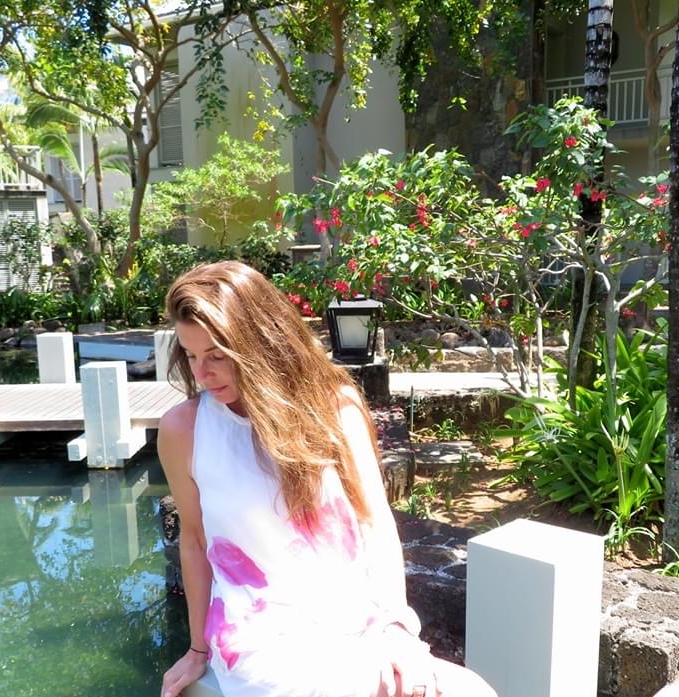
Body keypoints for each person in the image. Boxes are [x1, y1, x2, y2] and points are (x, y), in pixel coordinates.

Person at [158, 261, 497, 697]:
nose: (202, 374)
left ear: (260, 343)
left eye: (217, 355)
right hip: (259, 633)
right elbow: (194, 540)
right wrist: (197, 649)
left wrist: (396, 628)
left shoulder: (335, 407)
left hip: (355, 613)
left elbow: (374, 521)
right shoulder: (184, 430)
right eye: (191, 356)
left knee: (473, 691)